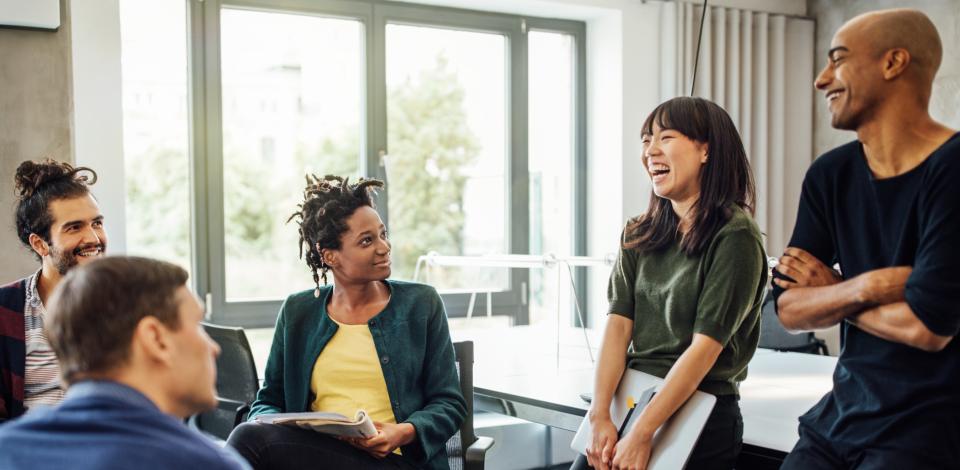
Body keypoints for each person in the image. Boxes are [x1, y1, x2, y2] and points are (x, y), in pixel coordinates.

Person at [773, 9, 959, 469]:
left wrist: (831, 291)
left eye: (837, 59)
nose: (821, 79)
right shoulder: (829, 175)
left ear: (893, 63)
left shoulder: (953, 168)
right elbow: (788, 309)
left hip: (926, 433)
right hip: (839, 419)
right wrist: (867, 286)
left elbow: (928, 327)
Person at [577, 97, 767, 470]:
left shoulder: (735, 235)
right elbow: (618, 326)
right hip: (632, 399)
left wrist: (643, 433)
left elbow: (704, 350)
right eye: (646, 139)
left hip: (698, 410)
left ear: (705, 150)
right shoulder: (638, 232)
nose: (651, 150)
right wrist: (599, 415)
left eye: (666, 137)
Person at [226, 175, 466, 470]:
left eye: (382, 234)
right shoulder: (297, 311)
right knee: (251, 434)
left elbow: (450, 404)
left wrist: (402, 432)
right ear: (330, 256)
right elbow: (268, 400)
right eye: (367, 240)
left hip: (397, 462)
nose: (384, 247)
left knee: (249, 440)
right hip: (319, 456)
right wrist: (275, 421)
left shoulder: (421, 303)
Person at [0, 256, 250, 470]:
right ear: (155, 338)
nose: (214, 348)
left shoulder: (7, 449)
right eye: (196, 326)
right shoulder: (208, 464)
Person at [0, 159, 107, 422]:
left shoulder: (127, 305)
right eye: (74, 227)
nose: (93, 238)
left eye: (97, 223)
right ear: (40, 244)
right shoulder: (4, 311)